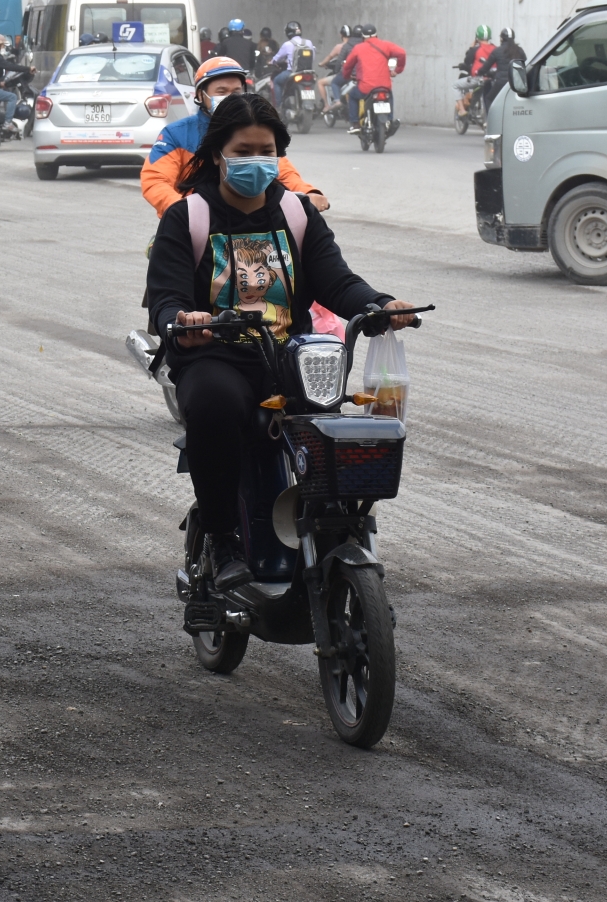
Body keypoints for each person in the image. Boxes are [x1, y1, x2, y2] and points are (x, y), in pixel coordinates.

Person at [144, 91, 416, 587]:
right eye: (243, 151)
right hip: (216, 358)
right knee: (213, 405)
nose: (255, 161)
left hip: (290, 359)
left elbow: (337, 281)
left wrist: (379, 305)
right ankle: (223, 538)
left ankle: (339, 531)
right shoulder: (187, 218)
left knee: (338, 433)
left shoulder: (297, 214)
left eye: (265, 150)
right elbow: (164, 297)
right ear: (218, 153)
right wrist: (184, 319)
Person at [141, 56, 325, 216]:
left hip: (253, 220)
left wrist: (308, 192)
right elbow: (156, 180)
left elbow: (281, 170)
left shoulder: (255, 129)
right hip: (193, 225)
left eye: (236, 92)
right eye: (221, 92)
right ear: (200, 95)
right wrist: (182, 210)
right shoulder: (175, 134)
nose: (229, 98)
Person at [341, 24, 407, 133]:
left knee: (352, 96)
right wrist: (397, 70)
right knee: (389, 95)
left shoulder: (358, 48)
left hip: (365, 87)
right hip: (384, 86)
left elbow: (348, 65)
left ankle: (355, 124)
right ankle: (389, 120)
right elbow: (401, 53)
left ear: (363, 36)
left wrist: (346, 76)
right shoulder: (386, 45)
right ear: (376, 35)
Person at [267, 21, 311, 111]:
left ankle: (278, 107)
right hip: (308, 72)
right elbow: (312, 57)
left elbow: (277, 58)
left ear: (288, 32)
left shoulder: (287, 44)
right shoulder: (309, 43)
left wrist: (271, 62)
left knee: (276, 81)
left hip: (291, 72)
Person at [319, 24, 357, 120]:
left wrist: (321, 64)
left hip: (347, 74)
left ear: (341, 35)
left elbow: (331, 58)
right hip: (358, 74)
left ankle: (329, 104)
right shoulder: (358, 46)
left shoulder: (340, 47)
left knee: (324, 82)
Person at [483, 28, 526, 112]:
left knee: (489, 98)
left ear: (502, 38)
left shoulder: (497, 51)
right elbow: (525, 63)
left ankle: (491, 121)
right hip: (516, 84)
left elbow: (486, 67)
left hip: (501, 82)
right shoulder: (519, 50)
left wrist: (480, 72)